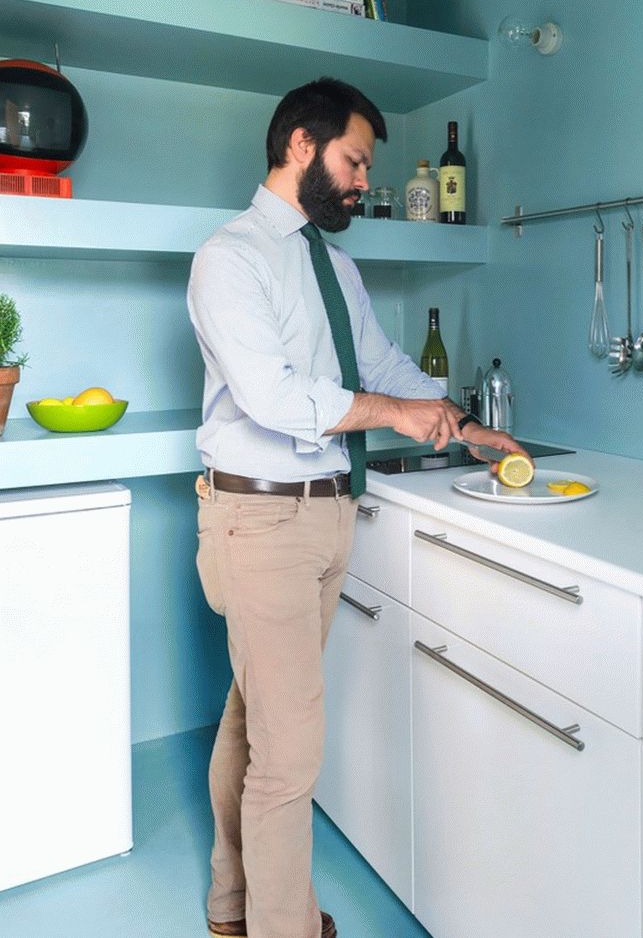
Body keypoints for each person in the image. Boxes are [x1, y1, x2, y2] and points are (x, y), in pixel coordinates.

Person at [187, 76, 524, 938]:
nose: (361, 181)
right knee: (289, 755)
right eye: (352, 161)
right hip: (259, 519)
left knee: (252, 715)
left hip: (327, 513)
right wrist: (393, 416)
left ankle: (231, 908)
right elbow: (272, 395)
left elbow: (380, 367)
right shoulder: (229, 257)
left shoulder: (333, 265)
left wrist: (462, 422)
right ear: (299, 145)